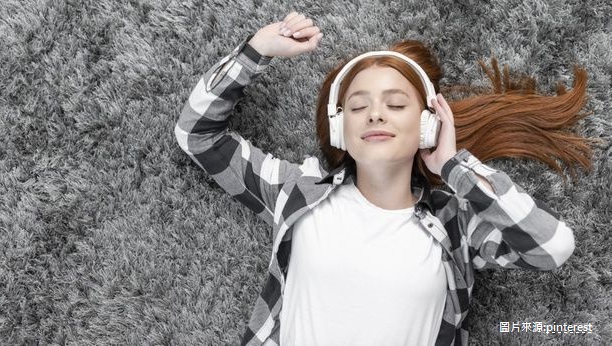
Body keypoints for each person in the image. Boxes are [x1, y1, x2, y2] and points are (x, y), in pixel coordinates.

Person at [175, 11, 591, 346]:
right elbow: (196, 135)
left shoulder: (458, 226)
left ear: (428, 126)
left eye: (395, 105)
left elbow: (552, 246)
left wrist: (453, 166)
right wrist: (257, 50)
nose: (375, 114)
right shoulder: (296, 190)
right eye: (358, 107)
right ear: (340, 130)